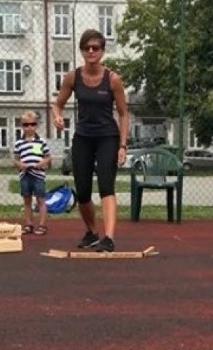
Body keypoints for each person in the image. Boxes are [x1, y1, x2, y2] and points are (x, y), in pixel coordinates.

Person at [51, 29, 129, 253]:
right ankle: (92, 232)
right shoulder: (72, 77)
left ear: (103, 51)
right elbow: (58, 104)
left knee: (106, 187)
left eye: (96, 47)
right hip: (83, 137)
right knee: (83, 191)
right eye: (87, 48)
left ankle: (109, 238)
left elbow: (123, 113)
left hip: (107, 137)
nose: (91, 51)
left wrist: (122, 145)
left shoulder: (112, 79)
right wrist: (57, 116)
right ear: (82, 51)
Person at [13, 112, 51, 235]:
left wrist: (42, 163)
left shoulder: (41, 142)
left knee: (41, 199)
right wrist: (20, 165)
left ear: (37, 125)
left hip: (38, 175)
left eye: (32, 124)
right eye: (26, 125)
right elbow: (15, 159)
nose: (29, 127)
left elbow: (48, 157)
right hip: (25, 175)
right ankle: (29, 224)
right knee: (27, 200)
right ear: (21, 126)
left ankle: (42, 225)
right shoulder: (19, 143)